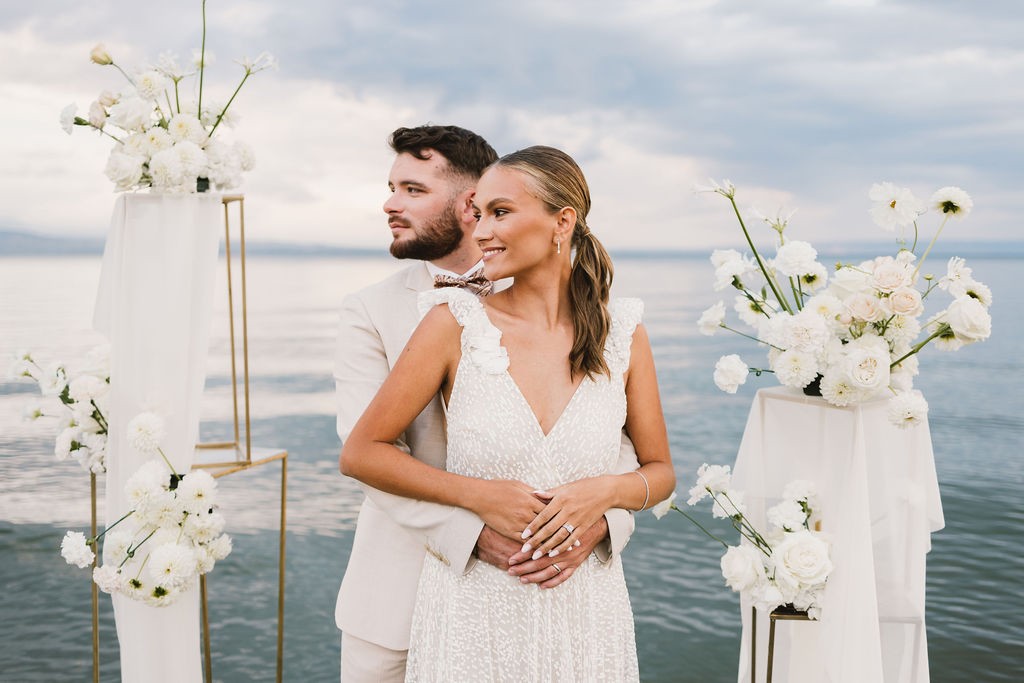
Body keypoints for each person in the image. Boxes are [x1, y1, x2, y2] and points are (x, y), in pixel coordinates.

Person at [340, 145, 675, 682]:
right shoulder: (453, 323)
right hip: (474, 609)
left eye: (500, 213)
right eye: (480, 215)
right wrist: (481, 497)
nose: (480, 233)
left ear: (562, 221)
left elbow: (659, 472)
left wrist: (606, 495)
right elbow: (361, 452)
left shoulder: (624, 334)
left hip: (585, 609)